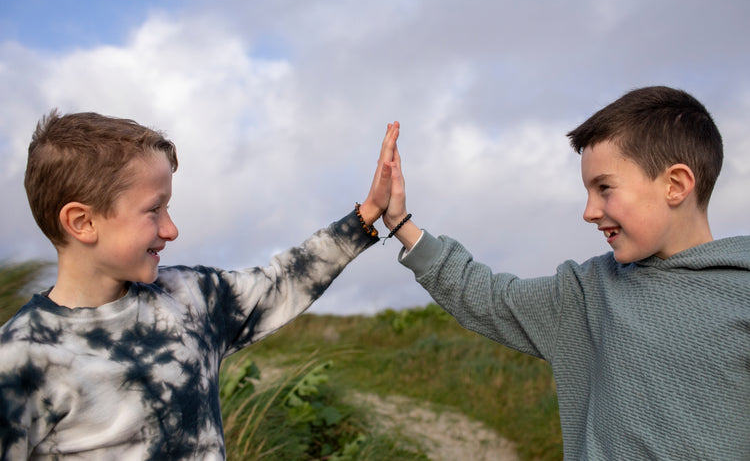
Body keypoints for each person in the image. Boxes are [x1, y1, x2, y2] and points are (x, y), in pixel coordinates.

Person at [0, 111, 400, 460]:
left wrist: (366, 215)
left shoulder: (190, 299)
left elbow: (282, 282)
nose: (171, 229)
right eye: (154, 209)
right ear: (82, 222)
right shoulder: (20, 362)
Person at [382, 86, 750, 459]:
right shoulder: (588, 292)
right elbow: (489, 298)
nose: (589, 211)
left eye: (604, 188)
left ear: (676, 185)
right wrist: (399, 223)